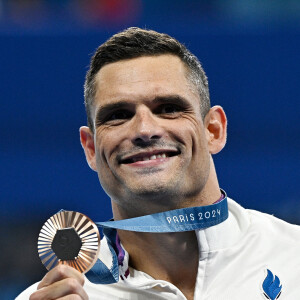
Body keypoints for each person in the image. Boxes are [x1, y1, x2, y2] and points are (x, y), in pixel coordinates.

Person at [17, 27, 300, 300]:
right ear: (91, 148)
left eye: (168, 108)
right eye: (118, 114)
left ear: (214, 130)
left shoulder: (293, 258)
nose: (144, 129)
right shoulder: (52, 297)